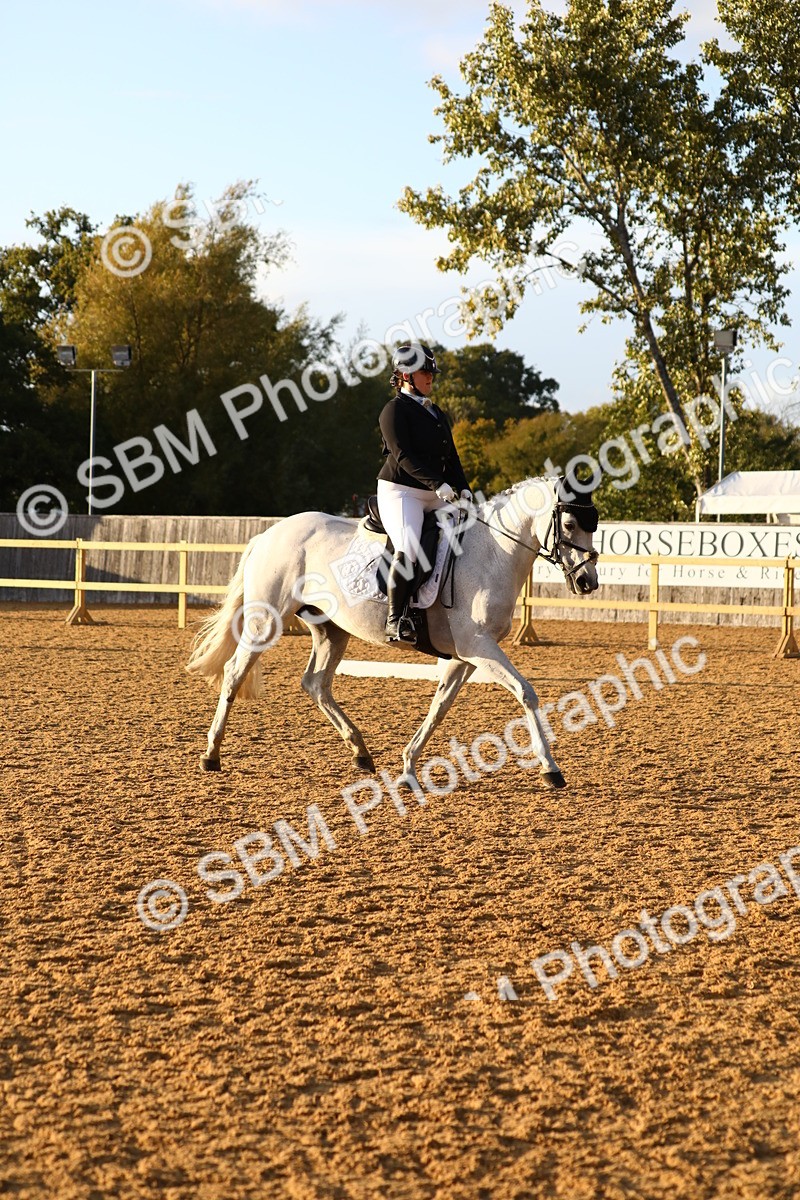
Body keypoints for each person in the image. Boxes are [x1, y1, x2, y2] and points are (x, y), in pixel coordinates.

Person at [377, 343, 472, 643]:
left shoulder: (435, 412)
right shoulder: (393, 410)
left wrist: (465, 489)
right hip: (401, 492)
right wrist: (437, 484)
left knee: (469, 537)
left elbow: (452, 458)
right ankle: (395, 619)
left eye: (431, 372)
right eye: (424, 372)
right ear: (406, 375)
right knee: (409, 546)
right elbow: (403, 455)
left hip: (435, 491)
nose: (431, 377)